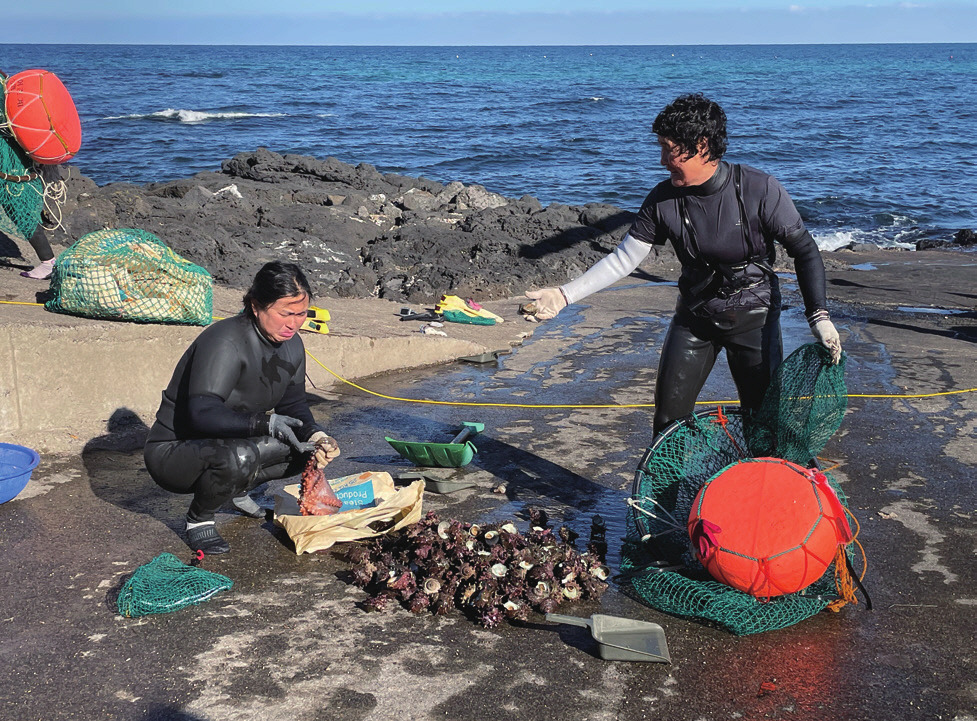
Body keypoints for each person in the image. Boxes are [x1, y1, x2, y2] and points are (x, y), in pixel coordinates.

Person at [525, 93, 842, 436]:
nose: (662, 161)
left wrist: (819, 318)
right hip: (695, 318)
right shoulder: (662, 200)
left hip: (755, 317)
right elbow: (623, 259)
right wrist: (563, 295)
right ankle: (670, 475)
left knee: (763, 425)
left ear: (701, 146)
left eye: (669, 149)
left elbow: (805, 251)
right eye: (660, 148)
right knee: (668, 425)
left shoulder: (759, 189)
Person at [144, 261, 340, 554]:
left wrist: (316, 435)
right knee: (241, 456)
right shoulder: (225, 340)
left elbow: (293, 404)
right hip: (176, 452)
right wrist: (266, 424)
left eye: (301, 314)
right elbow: (202, 413)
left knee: (305, 451)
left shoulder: (292, 345)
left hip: (232, 443)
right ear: (256, 306)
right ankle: (199, 519)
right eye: (285, 314)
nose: (294, 323)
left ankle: (236, 490)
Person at [20, 164, 63, 280]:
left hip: (16, 170)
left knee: (20, 212)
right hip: (24, 167)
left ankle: (48, 262)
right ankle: (48, 261)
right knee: (20, 211)